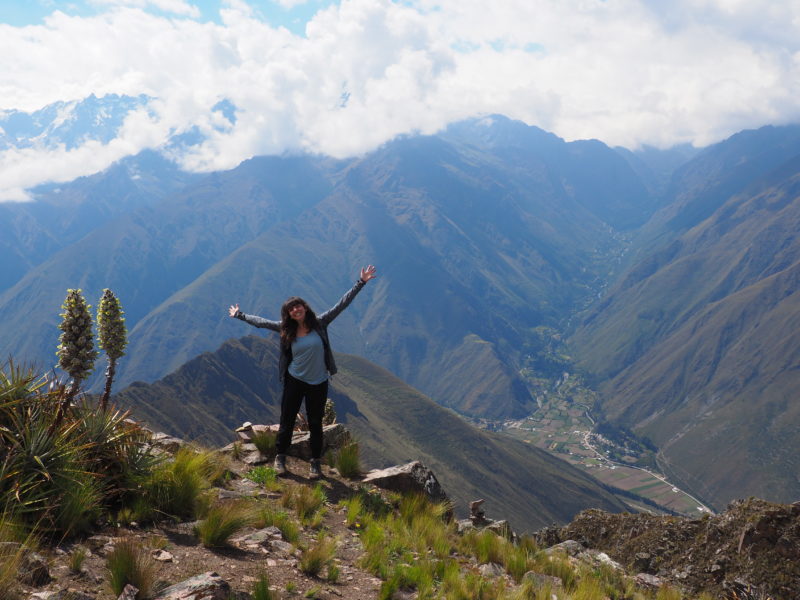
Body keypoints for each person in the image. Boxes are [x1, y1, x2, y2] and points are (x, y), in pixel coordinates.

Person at [228, 265, 377, 479]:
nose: (296, 310)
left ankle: (315, 462)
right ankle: (280, 457)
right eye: (292, 309)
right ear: (288, 314)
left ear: (305, 308)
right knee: (287, 419)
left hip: (318, 382)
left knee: (316, 423)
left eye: (298, 306)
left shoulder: (320, 323)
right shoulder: (285, 329)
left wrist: (360, 283)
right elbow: (261, 323)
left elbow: (342, 305)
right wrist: (240, 315)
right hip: (295, 380)